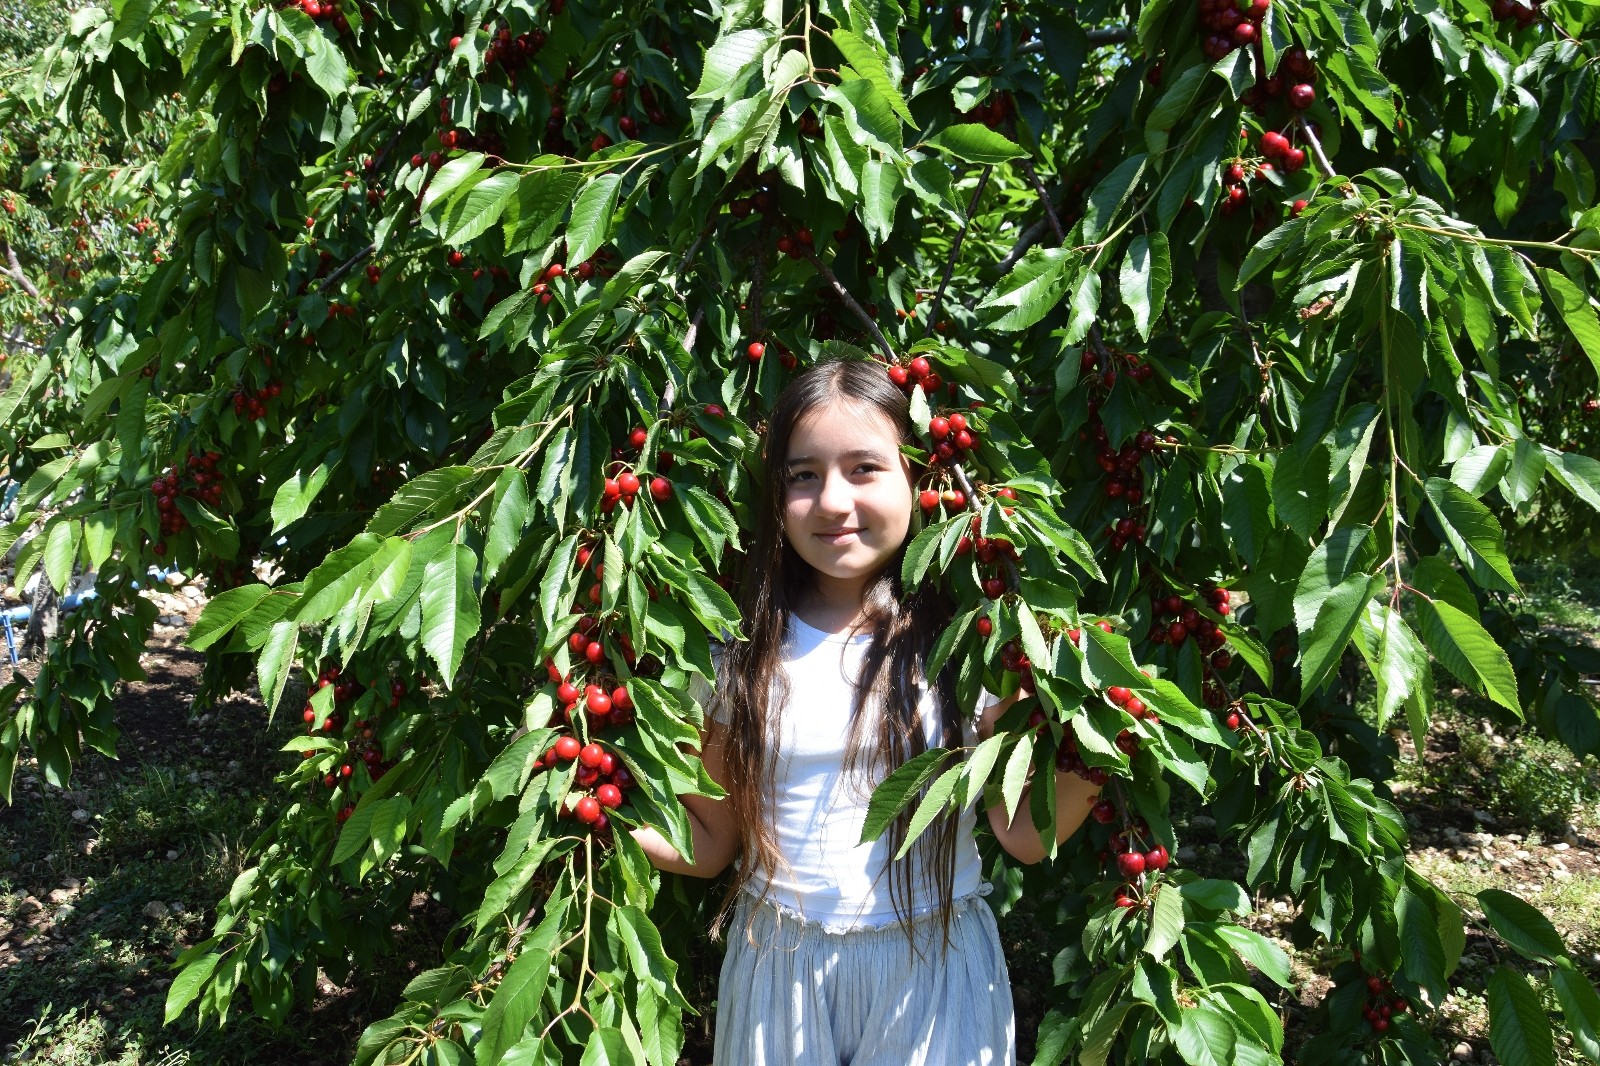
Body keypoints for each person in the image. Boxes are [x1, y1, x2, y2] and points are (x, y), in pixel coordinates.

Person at [630, 358, 1103, 1065]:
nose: (832, 501)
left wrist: (1100, 745)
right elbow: (713, 839)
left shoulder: (975, 645)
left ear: (918, 478)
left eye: (864, 469)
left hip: (935, 965)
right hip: (779, 963)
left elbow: (1025, 836)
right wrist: (600, 812)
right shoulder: (738, 650)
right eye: (803, 475)